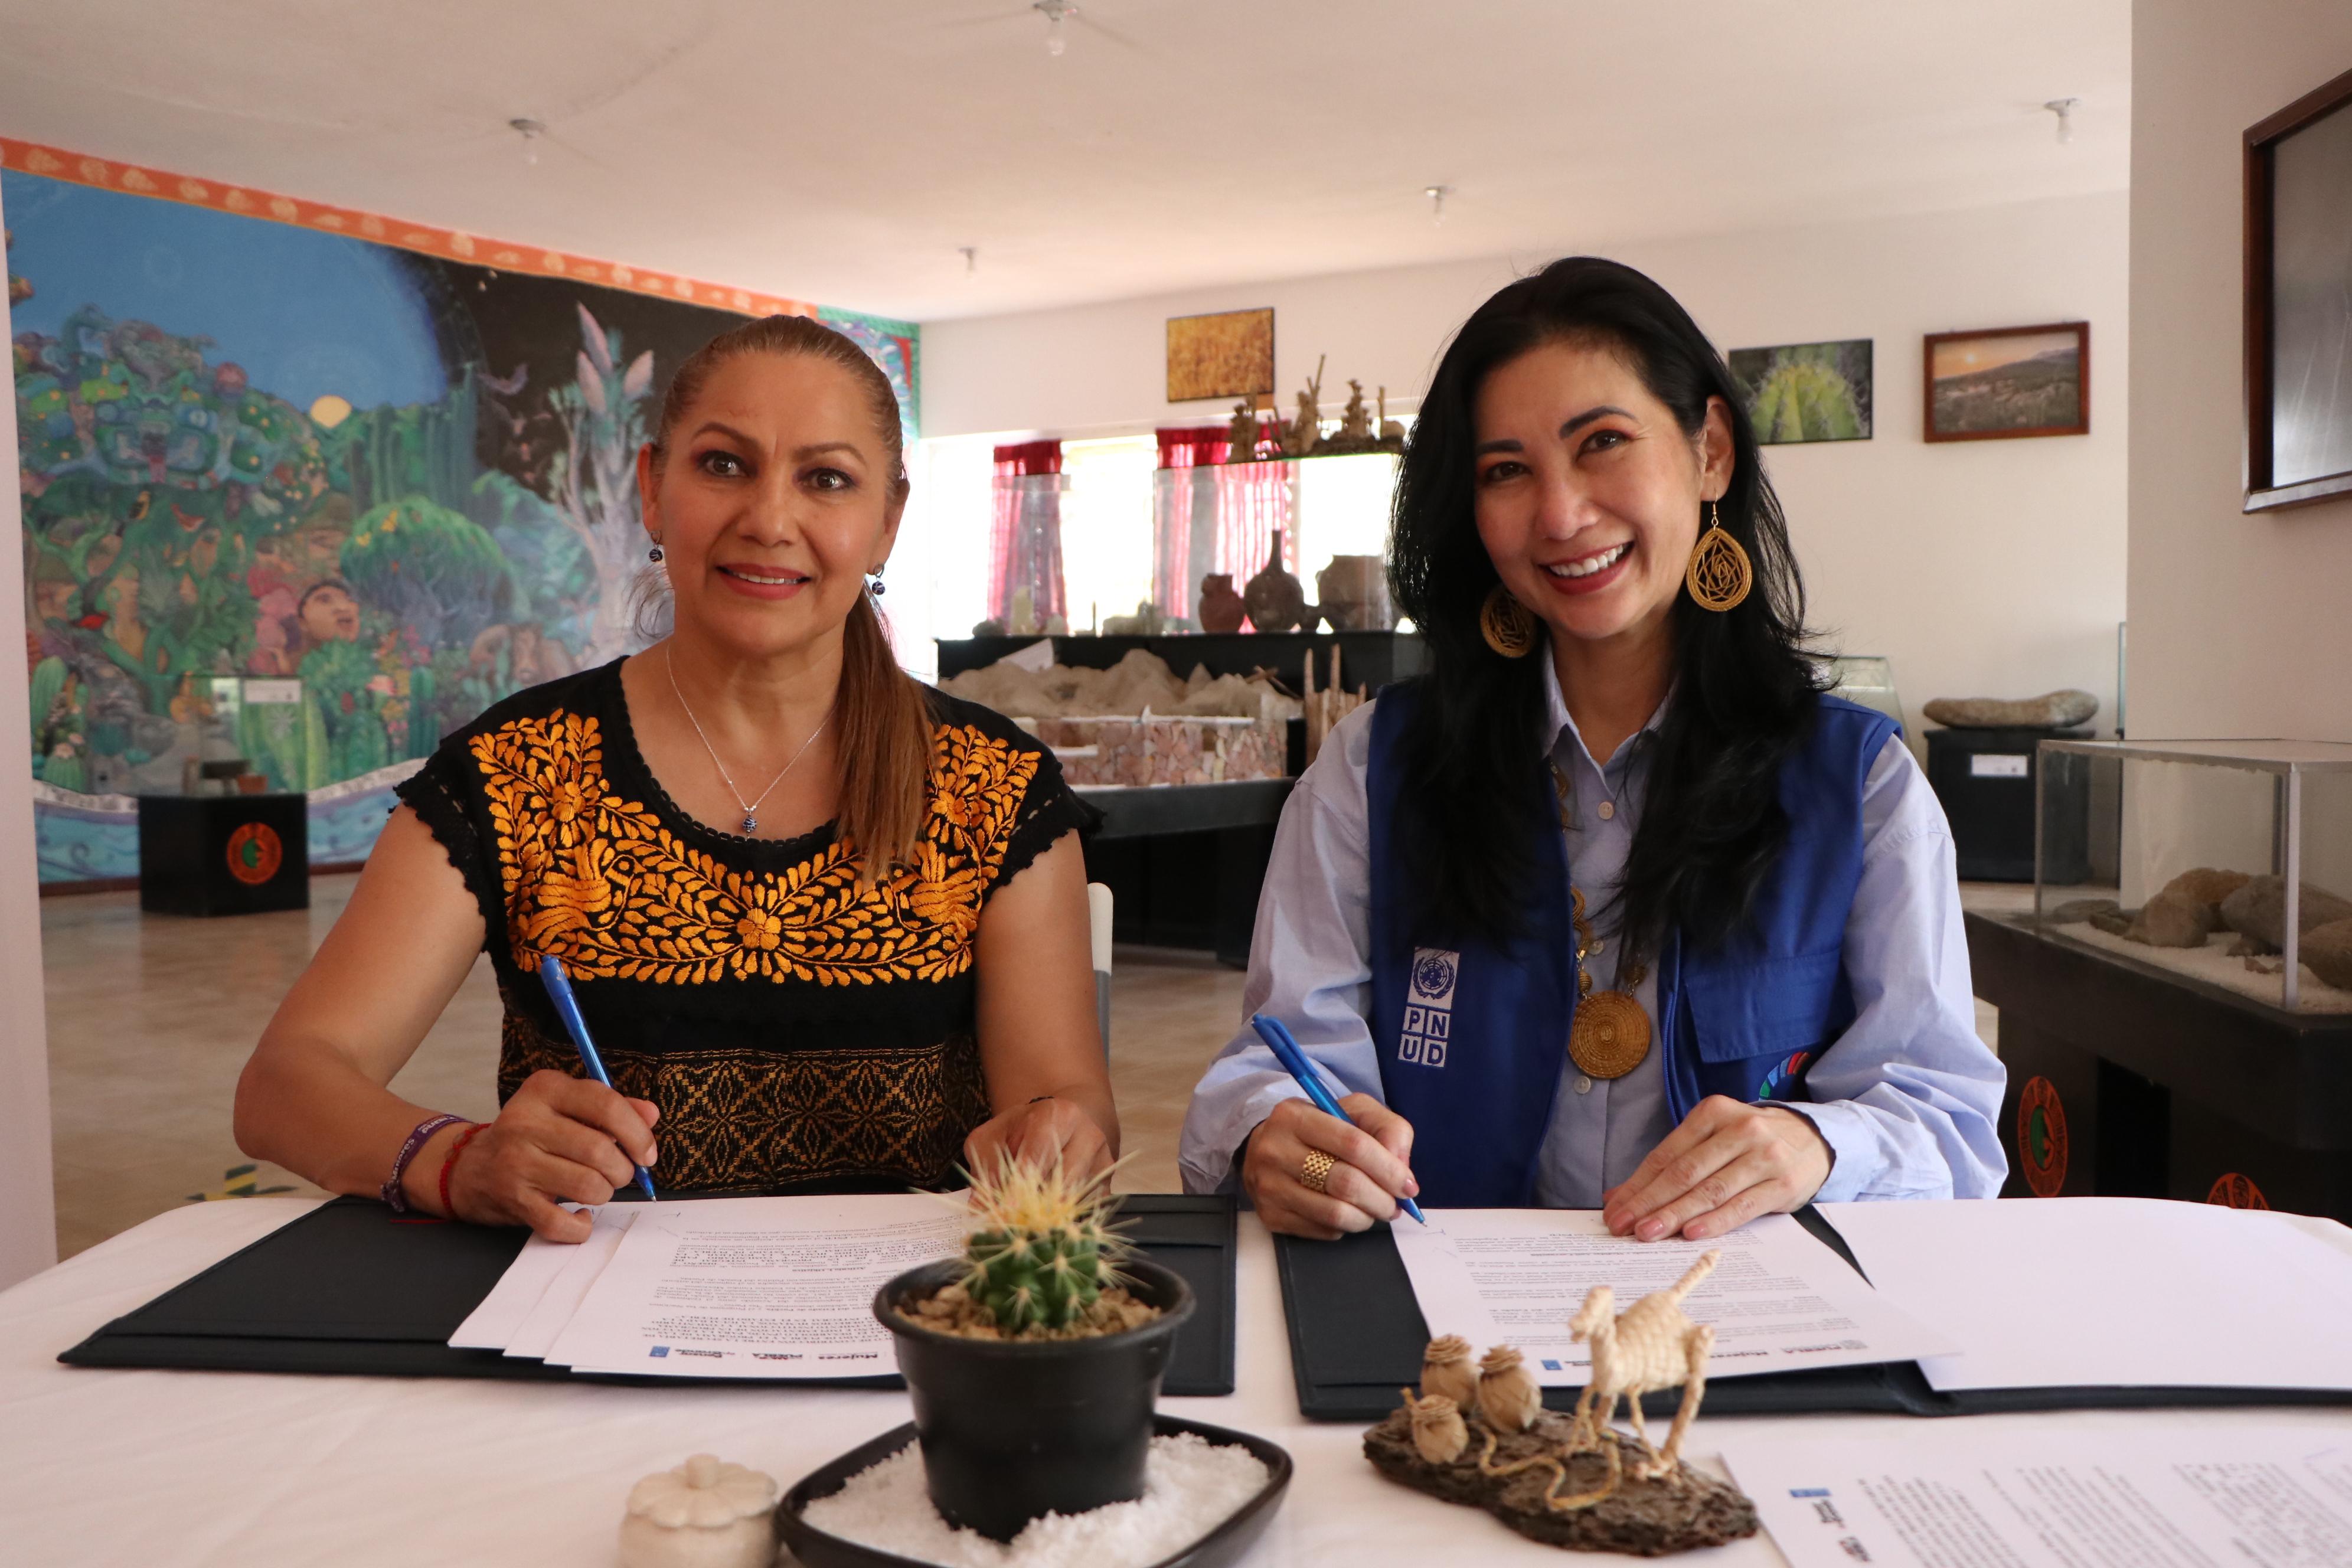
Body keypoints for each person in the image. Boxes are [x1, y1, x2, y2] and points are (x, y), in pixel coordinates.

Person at [237, 316, 1114, 1242]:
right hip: (594, 1310)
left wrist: (1059, 1136)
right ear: (654, 490)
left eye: (826, 479)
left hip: (909, 1311)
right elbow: (286, 1084)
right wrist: (459, 1160)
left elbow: (1068, 1106)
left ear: (887, 523)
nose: (769, 520)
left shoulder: (992, 788)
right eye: (725, 465)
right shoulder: (517, 774)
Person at [1180, 258, 2005, 1241]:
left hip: (1734, 1314)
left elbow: (1948, 1122)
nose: (1561, 515)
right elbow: (1279, 1061)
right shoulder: (1373, 770)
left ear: (1710, 453)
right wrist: (1282, 1136)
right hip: (1440, 1313)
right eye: (1506, 471)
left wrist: (1818, 1144)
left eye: (1602, 442)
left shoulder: (1859, 786)